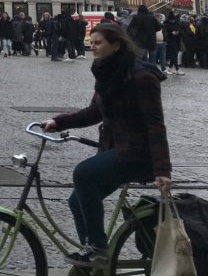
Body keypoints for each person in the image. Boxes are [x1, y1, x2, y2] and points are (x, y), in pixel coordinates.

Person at [40, 23, 172, 268]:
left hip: (138, 154)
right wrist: (57, 122)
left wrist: (163, 169)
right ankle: (94, 260)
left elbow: (156, 125)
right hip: (118, 149)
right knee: (75, 201)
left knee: (83, 173)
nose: (93, 47)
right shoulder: (106, 71)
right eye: (92, 42)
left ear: (117, 44)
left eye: (98, 43)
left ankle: (98, 249)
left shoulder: (141, 76)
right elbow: (94, 112)